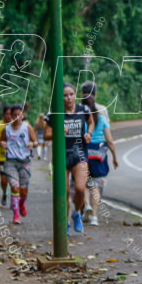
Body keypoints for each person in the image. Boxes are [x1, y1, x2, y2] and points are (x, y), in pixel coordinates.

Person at [45, 84, 92, 234]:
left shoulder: (83, 110)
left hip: (80, 153)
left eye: (71, 94)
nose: (69, 98)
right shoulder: (55, 112)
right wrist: (58, 131)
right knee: (64, 191)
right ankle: (64, 222)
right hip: (61, 154)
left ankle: (77, 212)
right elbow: (46, 135)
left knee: (79, 188)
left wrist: (89, 133)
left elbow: (91, 122)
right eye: (65, 95)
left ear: (75, 95)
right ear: (61, 97)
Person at [82, 89, 118, 226]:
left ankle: (87, 206)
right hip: (98, 155)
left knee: (85, 183)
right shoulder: (102, 118)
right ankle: (95, 217)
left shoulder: (81, 117)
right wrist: (114, 157)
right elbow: (109, 140)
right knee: (96, 185)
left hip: (84, 152)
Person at [0, 104, 35, 224]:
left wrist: (32, 144)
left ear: (22, 115)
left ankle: (21, 204)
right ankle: (15, 215)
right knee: (15, 187)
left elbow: (35, 141)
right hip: (10, 162)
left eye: (19, 115)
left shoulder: (27, 127)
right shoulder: (7, 128)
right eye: (14, 115)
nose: (17, 117)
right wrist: (2, 143)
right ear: (10, 116)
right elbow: (2, 140)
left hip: (24, 162)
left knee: (23, 191)